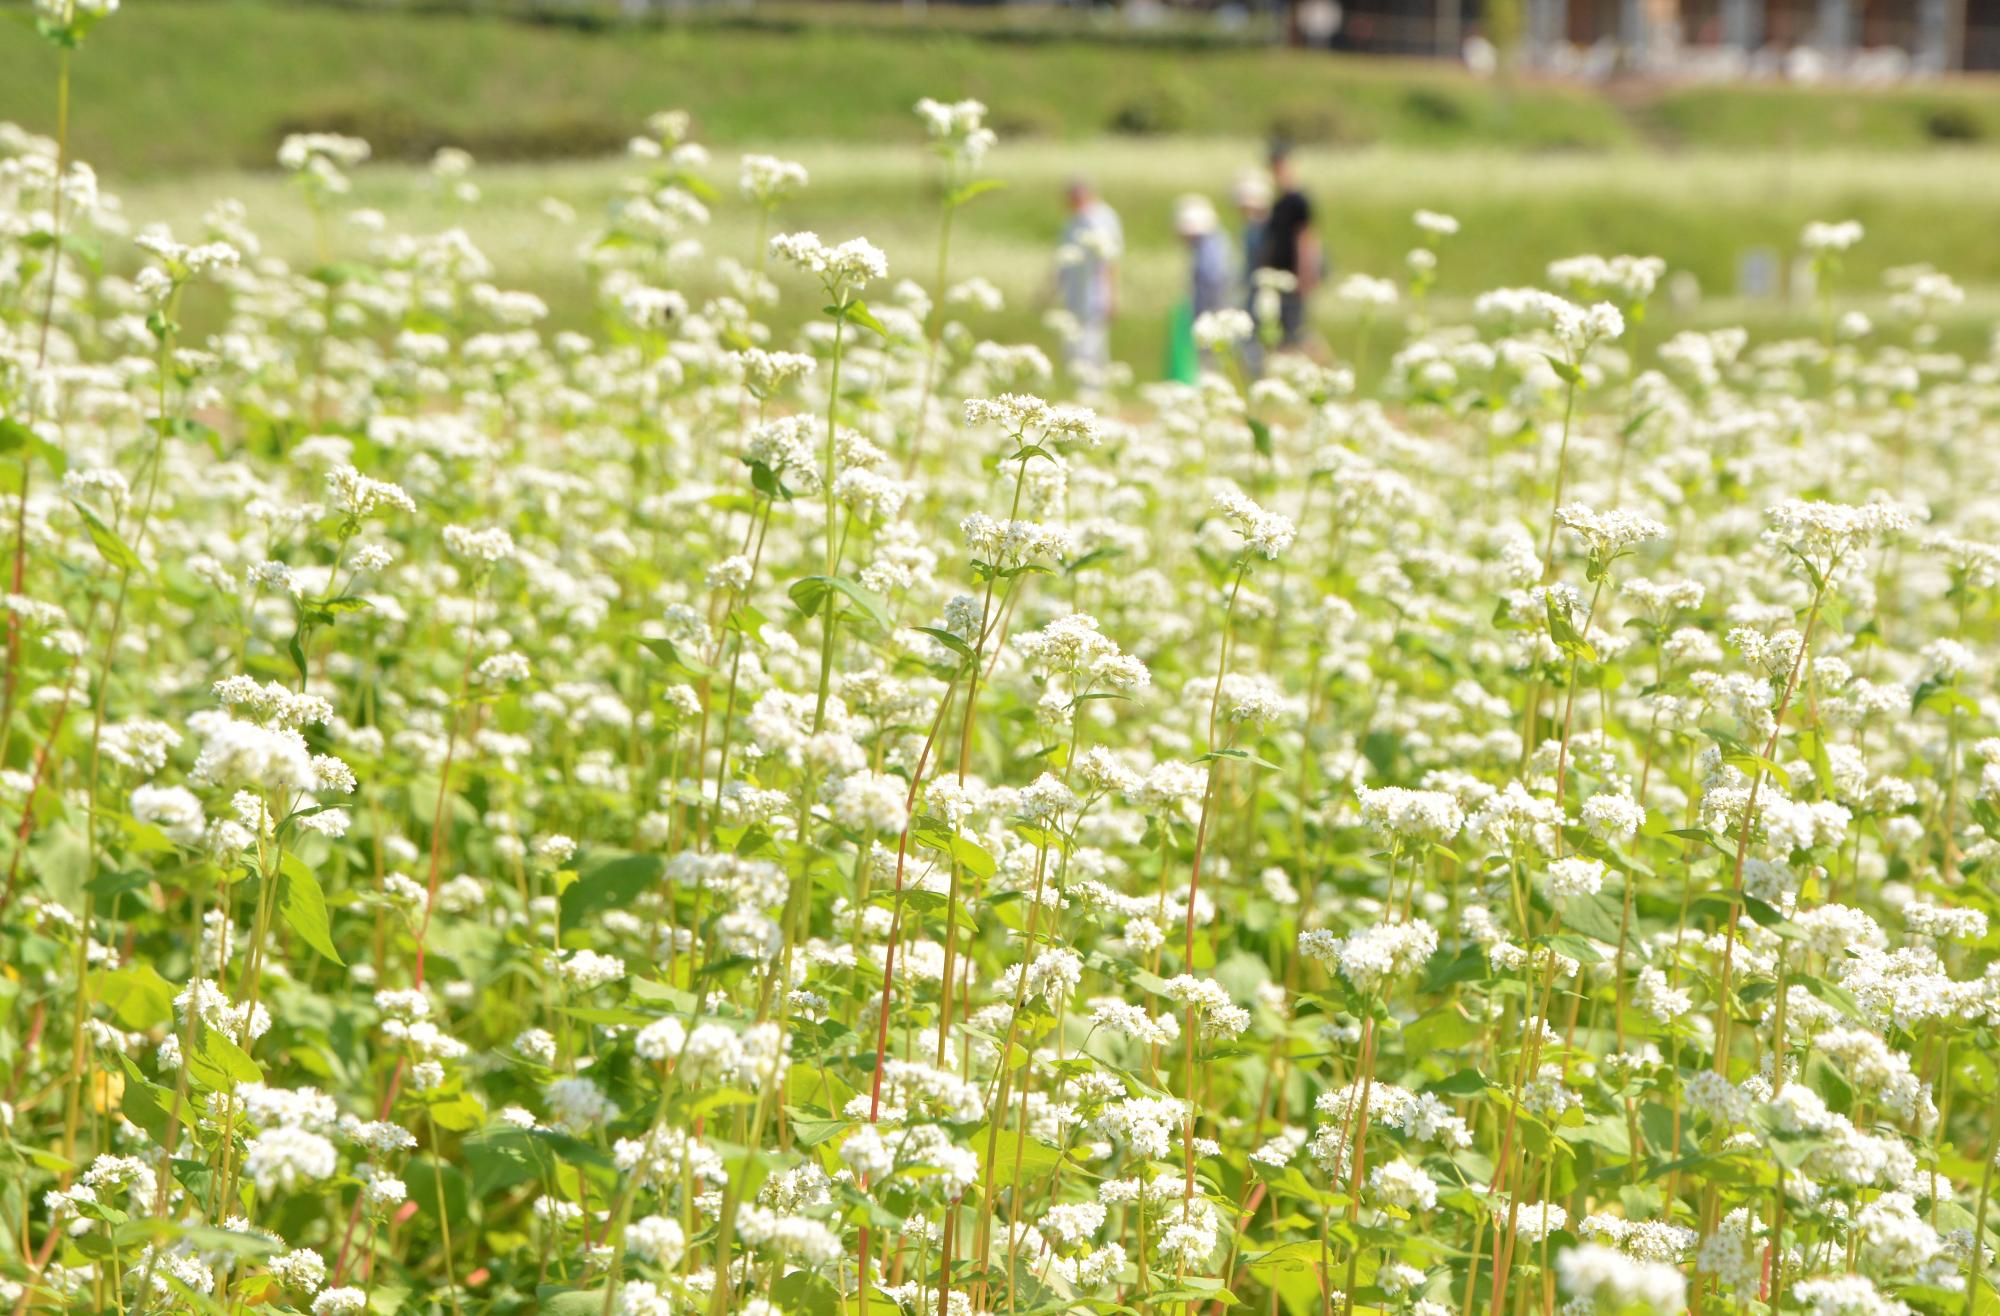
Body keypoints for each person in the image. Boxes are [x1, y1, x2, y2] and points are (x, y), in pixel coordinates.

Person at [1253, 142, 1319, 350]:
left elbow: (1306, 238)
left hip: (1293, 276)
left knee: (1295, 331)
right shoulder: (1280, 202)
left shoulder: (1297, 200)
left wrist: (1305, 273)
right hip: (1279, 276)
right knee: (1285, 329)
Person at [1056, 178, 1122, 384]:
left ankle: (1094, 395)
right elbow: (1063, 260)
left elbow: (1109, 260)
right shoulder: (1073, 221)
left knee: (1093, 349)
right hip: (1074, 296)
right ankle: (1082, 395)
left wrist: (1112, 296)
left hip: (1095, 296)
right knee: (1074, 349)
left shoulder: (1103, 217)